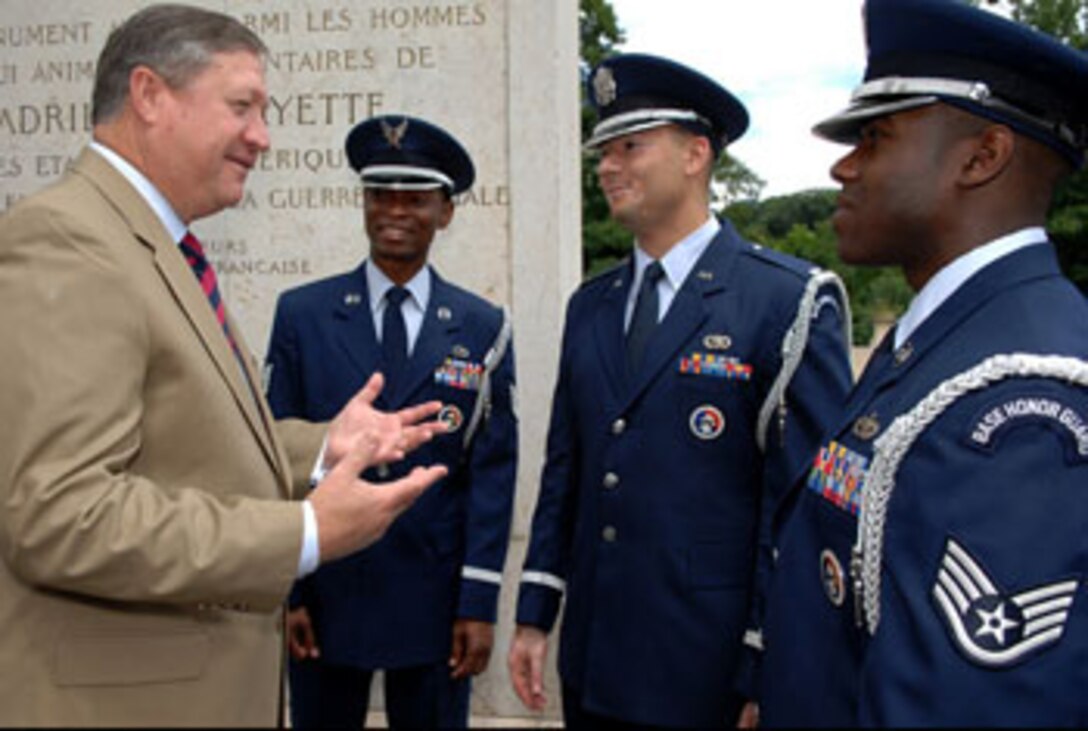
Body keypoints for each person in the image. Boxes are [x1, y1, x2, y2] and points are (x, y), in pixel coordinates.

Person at [0, 5, 448, 726]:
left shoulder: (149, 241)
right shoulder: (70, 241)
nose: (262, 137)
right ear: (149, 95)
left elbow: (180, 440)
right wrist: (302, 533)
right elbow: (60, 514)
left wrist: (321, 446)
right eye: (242, 106)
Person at [756, 0, 1088, 726]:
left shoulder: (1028, 404)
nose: (842, 165)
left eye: (874, 137)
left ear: (982, 156)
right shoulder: (944, 335)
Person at [507, 52, 854, 728]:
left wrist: (768, 657)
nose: (607, 165)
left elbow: (802, 510)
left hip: (707, 671)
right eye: (603, 149)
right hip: (594, 659)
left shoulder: (785, 301)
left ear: (696, 153)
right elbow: (565, 474)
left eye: (630, 145)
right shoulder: (592, 304)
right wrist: (534, 615)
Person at [265, 114, 518, 729]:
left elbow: (490, 473)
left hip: (435, 601)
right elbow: (278, 457)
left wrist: (478, 601)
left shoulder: (483, 325)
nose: (394, 211)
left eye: (415, 198)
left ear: (446, 212)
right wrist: (288, 591)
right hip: (328, 592)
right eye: (380, 195)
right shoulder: (304, 314)